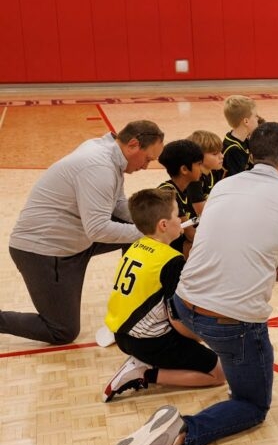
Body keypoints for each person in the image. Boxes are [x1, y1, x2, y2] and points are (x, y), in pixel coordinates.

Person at [104, 122, 278, 445]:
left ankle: (151, 367)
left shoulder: (223, 186)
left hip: (183, 307)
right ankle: (181, 431)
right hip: (231, 323)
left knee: (220, 349)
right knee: (252, 405)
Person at [1, 120, 164, 345]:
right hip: (43, 251)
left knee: (137, 233)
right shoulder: (98, 167)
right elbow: (98, 229)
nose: (146, 166)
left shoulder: (109, 153)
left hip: (74, 239)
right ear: (133, 144)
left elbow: (117, 204)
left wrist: (153, 224)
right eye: (148, 159)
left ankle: (133, 303)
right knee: (62, 331)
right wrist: (147, 233)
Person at [102, 189, 225, 402]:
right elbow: (177, 320)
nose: (181, 220)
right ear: (164, 225)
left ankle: (145, 363)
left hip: (121, 334)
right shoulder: (171, 260)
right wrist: (200, 338)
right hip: (148, 341)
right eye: (177, 215)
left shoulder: (136, 246)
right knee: (219, 374)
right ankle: (144, 373)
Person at [156, 139, 204, 255]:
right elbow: (191, 235)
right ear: (184, 169)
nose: (201, 169)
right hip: (165, 252)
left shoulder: (189, 187)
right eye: (198, 164)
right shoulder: (168, 193)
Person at [186, 130, 225, 216]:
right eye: (215, 154)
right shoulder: (193, 180)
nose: (222, 156)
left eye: (221, 151)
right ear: (198, 157)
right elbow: (202, 213)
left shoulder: (213, 172)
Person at [222, 95, 260, 177]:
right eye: (255, 116)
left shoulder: (244, 139)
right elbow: (237, 180)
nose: (258, 119)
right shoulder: (233, 150)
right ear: (246, 121)